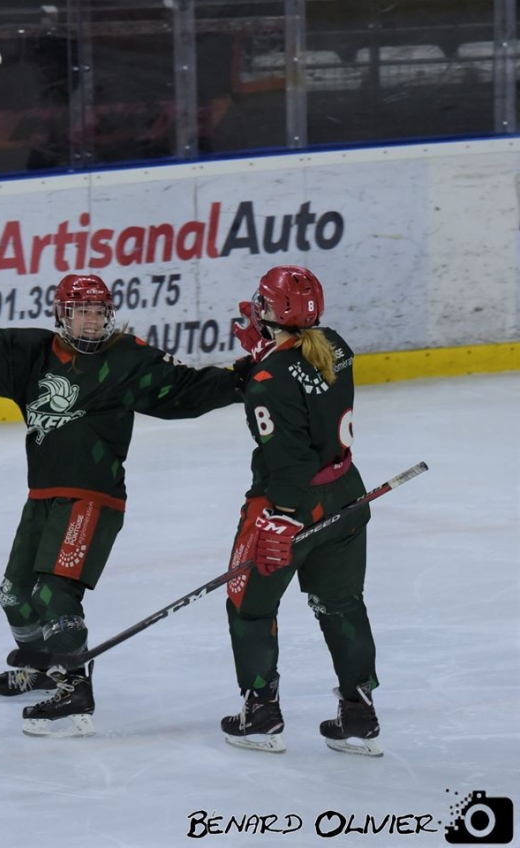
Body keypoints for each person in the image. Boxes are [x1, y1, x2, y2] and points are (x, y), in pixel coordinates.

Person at [0, 274, 242, 738]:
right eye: (81, 311)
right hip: (43, 496)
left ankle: (75, 690)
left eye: (98, 311)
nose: (92, 321)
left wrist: (244, 378)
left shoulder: (128, 358)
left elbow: (187, 389)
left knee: (53, 595)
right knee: (14, 595)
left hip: (93, 497)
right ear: (62, 314)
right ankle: (41, 665)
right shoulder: (30, 354)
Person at [220, 265, 381, 757]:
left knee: (248, 606)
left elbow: (287, 458)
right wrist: (265, 353)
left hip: (292, 504)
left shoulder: (267, 380)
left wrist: (282, 517)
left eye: (262, 304)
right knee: (342, 604)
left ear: (271, 311)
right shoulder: (334, 346)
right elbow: (303, 379)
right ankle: (359, 715)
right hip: (347, 497)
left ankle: (261, 712)